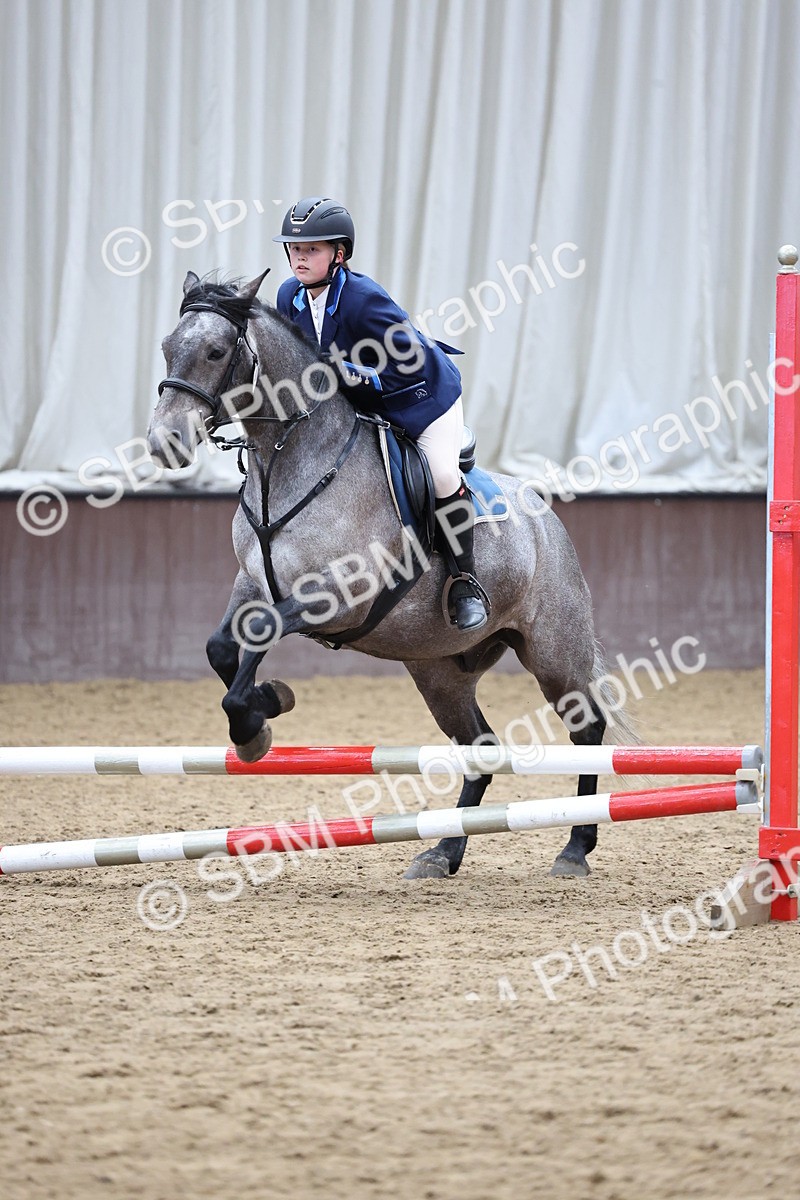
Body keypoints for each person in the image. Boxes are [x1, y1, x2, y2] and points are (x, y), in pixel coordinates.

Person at [273, 196, 489, 633]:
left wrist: (344, 371)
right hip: (363, 404)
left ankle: (464, 581)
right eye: (294, 249)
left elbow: (407, 363)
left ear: (339, 254)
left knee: (441, 475)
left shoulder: (363, 299)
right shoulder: (288, 297)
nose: (300, 258)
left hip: (422, 397)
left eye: (312, 249)